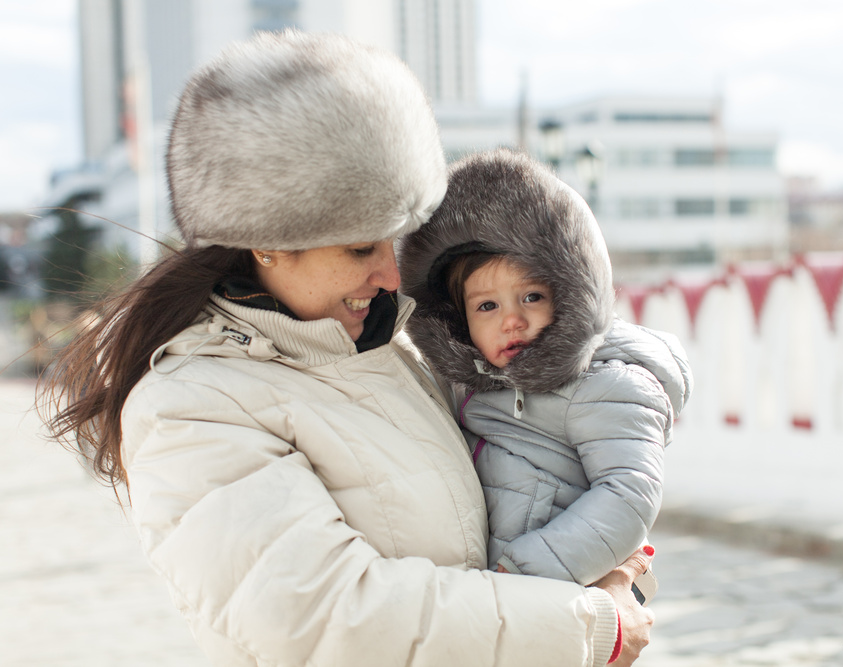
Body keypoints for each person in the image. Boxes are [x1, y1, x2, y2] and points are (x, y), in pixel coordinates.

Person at [40, 30, 656, 666]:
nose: (391, 275)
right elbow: (326, 619)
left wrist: (609, 563)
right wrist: (588, 627)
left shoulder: (396, 356)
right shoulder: (191, 407)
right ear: (266, 241)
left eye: (396, 242)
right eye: (361, 247)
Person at [398, 149, 692, 594]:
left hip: (557, 589)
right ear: (458, 319)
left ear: (571, 292)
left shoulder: (607, 384)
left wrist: (525, 571)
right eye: (487, 306)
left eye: (531, 297)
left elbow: (630, 494)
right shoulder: (474, 386)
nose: (511, 320)